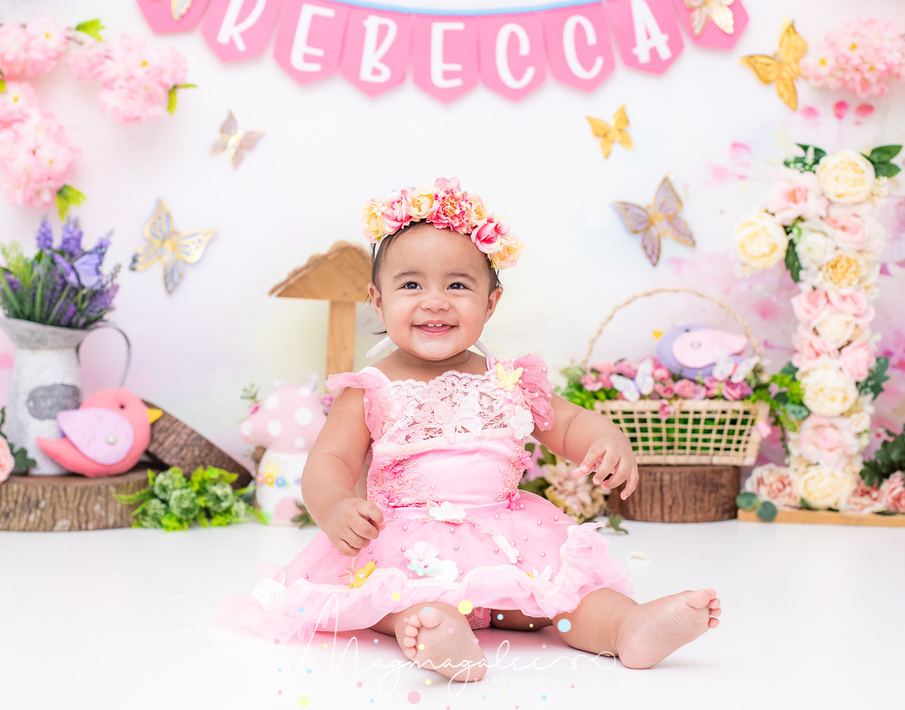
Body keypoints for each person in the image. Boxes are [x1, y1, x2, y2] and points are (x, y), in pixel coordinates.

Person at [236, 179, 720, 681]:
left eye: (458, 285)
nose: (435, 301)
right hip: (406, 544)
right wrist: (335, 504)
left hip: (510, 542)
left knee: (568, 597)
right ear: (377, 301)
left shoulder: (509, 381)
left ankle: (626, 628)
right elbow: (331, 460)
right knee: (395, 599)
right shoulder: (370, 388)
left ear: (491, 303)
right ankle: (439, 636)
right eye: (411, 285)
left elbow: (570, 422)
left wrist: (606, 440)